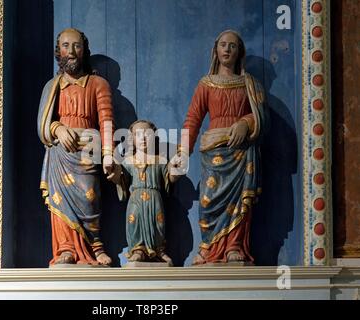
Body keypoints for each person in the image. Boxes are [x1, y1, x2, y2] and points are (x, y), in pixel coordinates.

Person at [176, 30, 269, 265]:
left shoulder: (249, 84)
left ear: (240, 53)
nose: (227, 49)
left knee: (239, 202)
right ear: (216, 50)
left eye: (233, 46)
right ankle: (207, 247)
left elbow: (262, 117)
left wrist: (244, 123)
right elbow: (192, 119)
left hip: (241, 152)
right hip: (214, 151)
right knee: (208, 200)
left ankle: (234, 246)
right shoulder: (206, 84)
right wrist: (182, 153)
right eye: (223, 45)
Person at [37, 28, 115, 266]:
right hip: (60, 153)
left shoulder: (98, 84)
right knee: (60, 202)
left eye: (76, 46)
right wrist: (57, 128)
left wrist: (109, 154)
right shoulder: (52, 87)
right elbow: (42, 123)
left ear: (84, 50)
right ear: (57, 51)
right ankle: (66, 249)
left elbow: (106, 121)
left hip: (88, 150)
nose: (71, 52)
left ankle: (95, 244)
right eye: (65, 46)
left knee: (90, 198)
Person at [108, 120, 179, 266]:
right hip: (135, 199)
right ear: (132, 139)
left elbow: (169, 178)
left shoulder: (160, 160)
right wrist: (114, 174)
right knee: (135, 222)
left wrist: (176, 170)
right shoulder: (128, 161)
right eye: (138, 135)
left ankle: (158, 250)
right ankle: (137, 250)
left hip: (155, 198)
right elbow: (122, 181)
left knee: (158, 223)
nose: (143, 138)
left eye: (147, 134)